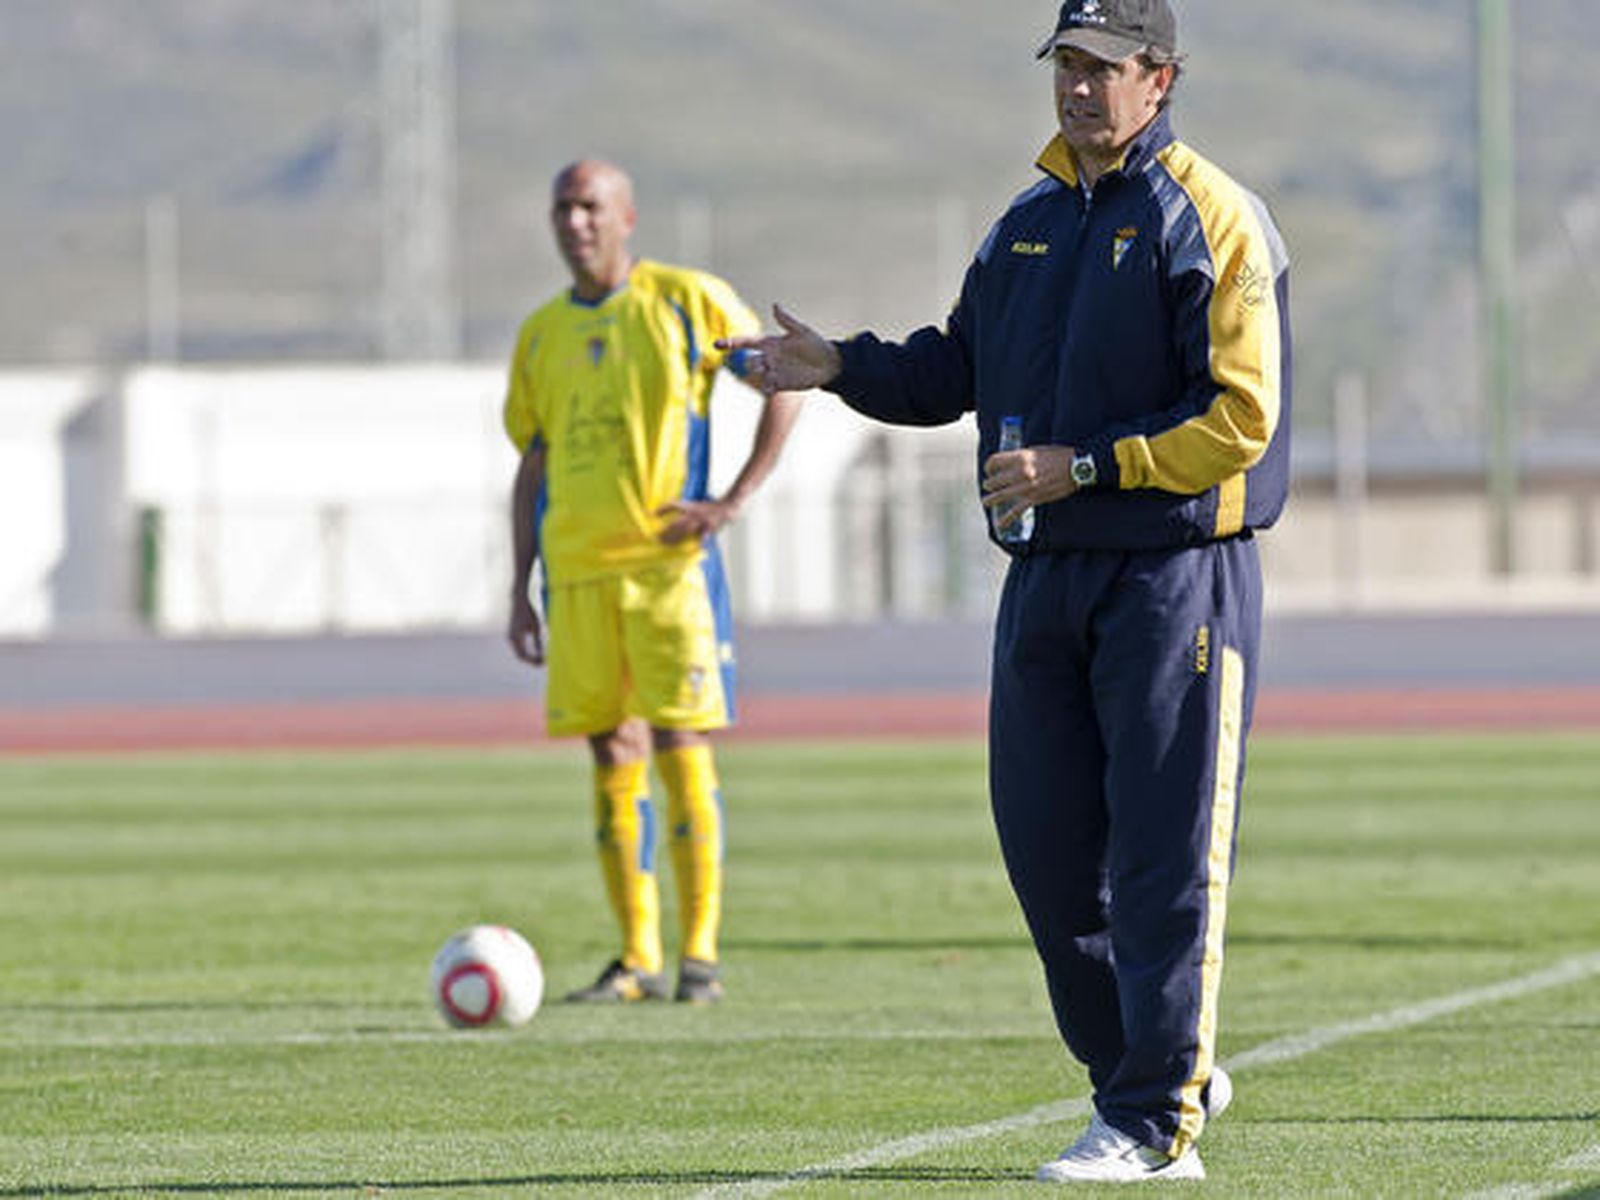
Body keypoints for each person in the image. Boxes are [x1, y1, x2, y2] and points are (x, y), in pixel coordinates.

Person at [720, 0, 1289, 1181]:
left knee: (1160, 859)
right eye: (1065, 66)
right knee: (1044, 858)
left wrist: (1082, 467)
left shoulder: (1212, 219)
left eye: (1103, 68)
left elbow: (1240, 420)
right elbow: (955, 367)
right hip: (1043, 580)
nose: (1079, 89)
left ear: (1161, 77)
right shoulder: (1026, 222)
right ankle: (1151, 1062)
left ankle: (1150, 1124)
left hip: (1170, 578)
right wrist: (838, 369)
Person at [503, 159, 802, 1005]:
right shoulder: (540, 334)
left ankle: (698, 958)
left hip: (669, 569)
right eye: (563, 208)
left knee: (679, 742)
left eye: (591, 207)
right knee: (611, 749)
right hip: (576, 575)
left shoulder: (684, 300)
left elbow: (781, 379)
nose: (576, 223)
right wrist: (518, 585)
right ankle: (636, 958)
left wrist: (733, 498)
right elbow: (533, 466)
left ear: (626, 216)